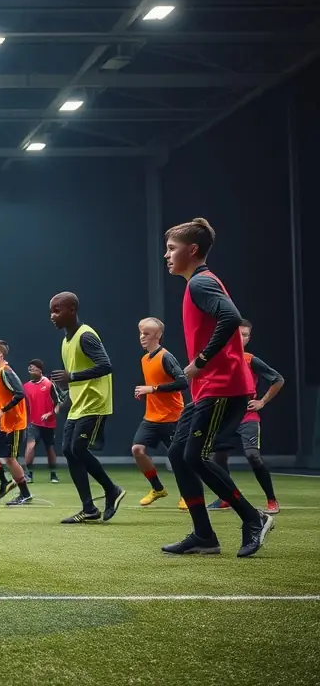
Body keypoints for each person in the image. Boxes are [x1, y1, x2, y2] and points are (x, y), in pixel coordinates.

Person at [161, 217, 274, 557]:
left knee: (193, 456)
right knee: (178, 456)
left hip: (223, 386)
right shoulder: (196, 284)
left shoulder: (201, 283)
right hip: (208, 388)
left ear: (192, 250)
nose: (166, 255)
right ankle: (204, 535)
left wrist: (201, 362)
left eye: (171, 249)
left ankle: (254, 518)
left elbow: (231, 317)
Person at [49, 292, 126, 524]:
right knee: (69, 451)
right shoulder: (65, 341)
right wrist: (66, 399)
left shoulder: (86, 336)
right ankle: (89, 509)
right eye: (51, 311)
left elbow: (106, 366)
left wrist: (72, 376)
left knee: (79, 449)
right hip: (78, 405)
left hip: (95, 402)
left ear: (71, 310)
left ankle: (112, 489)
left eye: (56, 310)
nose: (52, 316)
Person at [206, 319, 283, 515]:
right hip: (224, 417)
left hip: (247, 416)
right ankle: (226, 497)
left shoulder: (250, 359)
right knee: (217, 458)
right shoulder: (218, 358)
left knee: (252, 456)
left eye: (246, 335)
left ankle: (272, 499)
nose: (241, 338)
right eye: (238, 334)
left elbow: (277, 379)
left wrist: (262, 402)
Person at [132, 317, 187, 507]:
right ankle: (157, 488)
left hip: (172, 417)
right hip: (151, 417)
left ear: (158, 335)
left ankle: (187, 495)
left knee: (177, 458)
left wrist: (153, 389)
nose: (142, 337)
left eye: (146, 333)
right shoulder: (144, 359)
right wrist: (145, 391)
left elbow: (183, 382)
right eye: (140, 333)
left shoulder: (166, 357)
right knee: (137, 450)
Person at [0, 341, 32, 505]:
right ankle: (4, 481)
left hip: (14, 423)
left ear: (0, 356)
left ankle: (25, 494)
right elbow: (7, 396)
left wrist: (2, 410)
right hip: (4, 422)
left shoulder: (5, 372)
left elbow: (20, 393)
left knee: (9, 459)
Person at [22, 358, 61, 484]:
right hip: (32, 423)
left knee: (49, 448)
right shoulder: (26, 387)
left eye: (33, 367)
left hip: (49, 423)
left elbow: (58, 404)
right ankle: (28, 474)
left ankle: (53, 474)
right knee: (30, 446)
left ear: (40, 370)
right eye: (29, 367)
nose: (30, 369)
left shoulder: (49, 384)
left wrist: (50, 413)